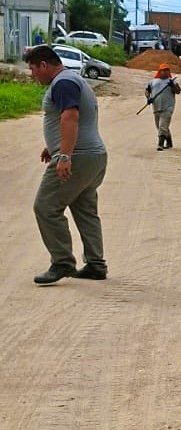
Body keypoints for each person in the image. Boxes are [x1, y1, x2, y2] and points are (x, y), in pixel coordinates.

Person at [24, 44, 108, 285]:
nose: (32, 75)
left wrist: (64, 155)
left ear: (44, 65)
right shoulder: (72, 80)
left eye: (32, 69)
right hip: (94, 156)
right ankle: (95, 264)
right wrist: (53, 145)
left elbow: (70, 116)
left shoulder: (62, 83)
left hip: (78, 157)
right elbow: (71, 120)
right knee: (85, 209)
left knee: (46, 207)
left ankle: (62, 262)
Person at [145, 63, 181, 151]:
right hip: (156, 107)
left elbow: (178, 91)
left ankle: (160, 144)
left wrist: (172, 85)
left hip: (168, 107)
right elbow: (147, 90)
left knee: (162, 126)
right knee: (160, 126)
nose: (165, 72)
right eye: (163, 70)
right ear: (160, 71)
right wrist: (148, 98)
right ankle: (169, 141)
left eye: (167, 70)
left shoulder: (172, 81)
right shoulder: (153, 81)